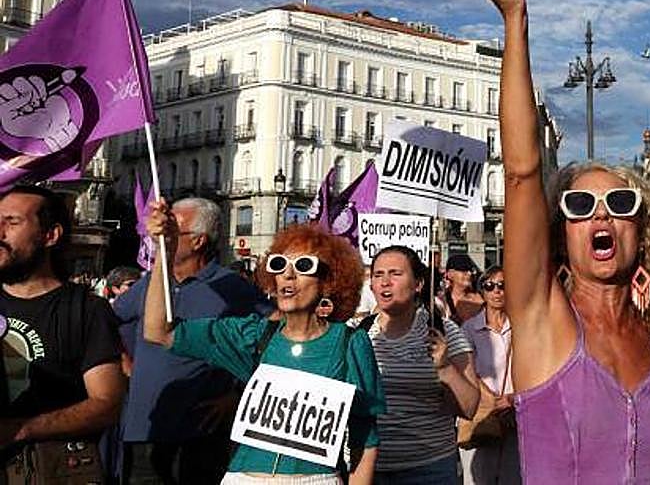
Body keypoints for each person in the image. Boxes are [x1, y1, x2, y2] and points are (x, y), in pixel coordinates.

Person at [466, 0, 650, 483]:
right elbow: (521, 174)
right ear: (562, 231)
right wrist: (516, 22)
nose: (602, 214)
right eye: (580, 205)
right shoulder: (544, 319)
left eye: (618, 201)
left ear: (641, 225)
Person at [143, 205, 384, 483]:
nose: (288, 275)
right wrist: (165, 250)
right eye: (279, 264)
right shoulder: (254, 335)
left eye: (303, 266)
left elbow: (364, 440)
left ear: (328, 282)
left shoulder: (350, 343)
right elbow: (157, 331)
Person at [115, 197, 271, 484]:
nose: (162, 234)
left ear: (199, 241)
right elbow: (109, 322)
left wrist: (239, 396)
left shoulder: (233, 288)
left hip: (199, 434)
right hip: (144, 428)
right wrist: (124, 363)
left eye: (173, 229)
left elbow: (276, 342)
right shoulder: (150, 285)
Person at [0, 185, 126, 480]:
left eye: (12, 222)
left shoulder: (87, 310)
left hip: (54, 468)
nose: (0, 232)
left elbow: (106, 403)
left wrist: (23, 428)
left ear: (50, 235)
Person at [365, 245, 479, 484]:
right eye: (378, 274)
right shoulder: (360, 333)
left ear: (418, 284)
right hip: (369, 467)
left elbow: (469, 408)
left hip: (429, 468)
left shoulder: (444, 332)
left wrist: (445, 369)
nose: (385, 282)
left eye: (395, 274)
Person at [460, 265, 519, 485]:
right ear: (482, 291)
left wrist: (512, 400)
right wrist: (493, 402)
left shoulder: (521, 327)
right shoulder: (469, 329)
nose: (497, 291)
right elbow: (466, 371)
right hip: (482, 416)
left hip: (515, 417)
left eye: (503, 286)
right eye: (490, 286)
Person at [442, 254, 484, 324]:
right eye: (463, 270)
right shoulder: (441, 301)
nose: (469, 273)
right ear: (450, 274)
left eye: (470, 270)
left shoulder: (478, 300)